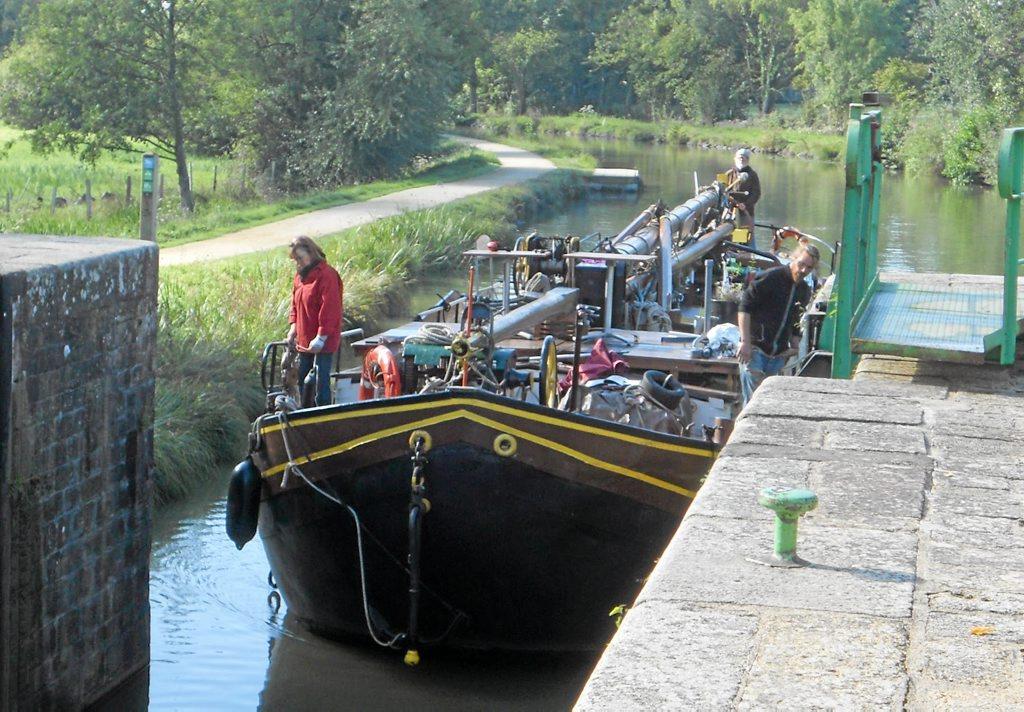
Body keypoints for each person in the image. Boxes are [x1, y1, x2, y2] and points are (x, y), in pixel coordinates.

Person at [737, 244, 819, 405]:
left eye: (809, 268)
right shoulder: (771, 277)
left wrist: (795, 345)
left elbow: (796, 320)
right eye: (801, 264)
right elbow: (745, 307)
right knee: (754, 403)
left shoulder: (804, 290)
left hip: (777, 355)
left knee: (769, 403)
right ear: (793, 258)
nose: (803, 270)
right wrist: (745, 342)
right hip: (755, 349)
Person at [286, 235, 343, 407]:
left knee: (320, 383)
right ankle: (305, 411)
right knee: (303, 380)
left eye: (300, 258)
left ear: (311, 253)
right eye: (295, 260)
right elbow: (295, 305)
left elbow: (330, 309)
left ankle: (323, 412)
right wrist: (293, 327)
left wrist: (321, 337)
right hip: (304, 340)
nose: (298, 263)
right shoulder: (299, 277)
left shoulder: (327, 276)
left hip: (323, 342)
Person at [725, 148, 761, 231]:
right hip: (730, 211)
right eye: (739, 157)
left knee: (746, 235)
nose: (741, 159)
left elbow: (756, 193)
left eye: (744, 157)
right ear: (735, 159)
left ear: (747, 160)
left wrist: (745, 204)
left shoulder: (752, 175)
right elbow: (722, 190)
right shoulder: (729, 174)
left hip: (746, 212)